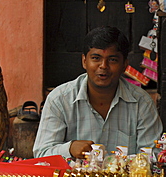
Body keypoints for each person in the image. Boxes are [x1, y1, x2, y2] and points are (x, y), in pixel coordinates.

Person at [33, 26, 163, 159]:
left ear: (124, 65)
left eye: (112, 60)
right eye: (96, 58)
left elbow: (153, 156)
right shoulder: (59, 100)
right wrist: (69, 148)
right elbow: (42, 154)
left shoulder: (142, 103)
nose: (103, 66)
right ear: (84, 61)